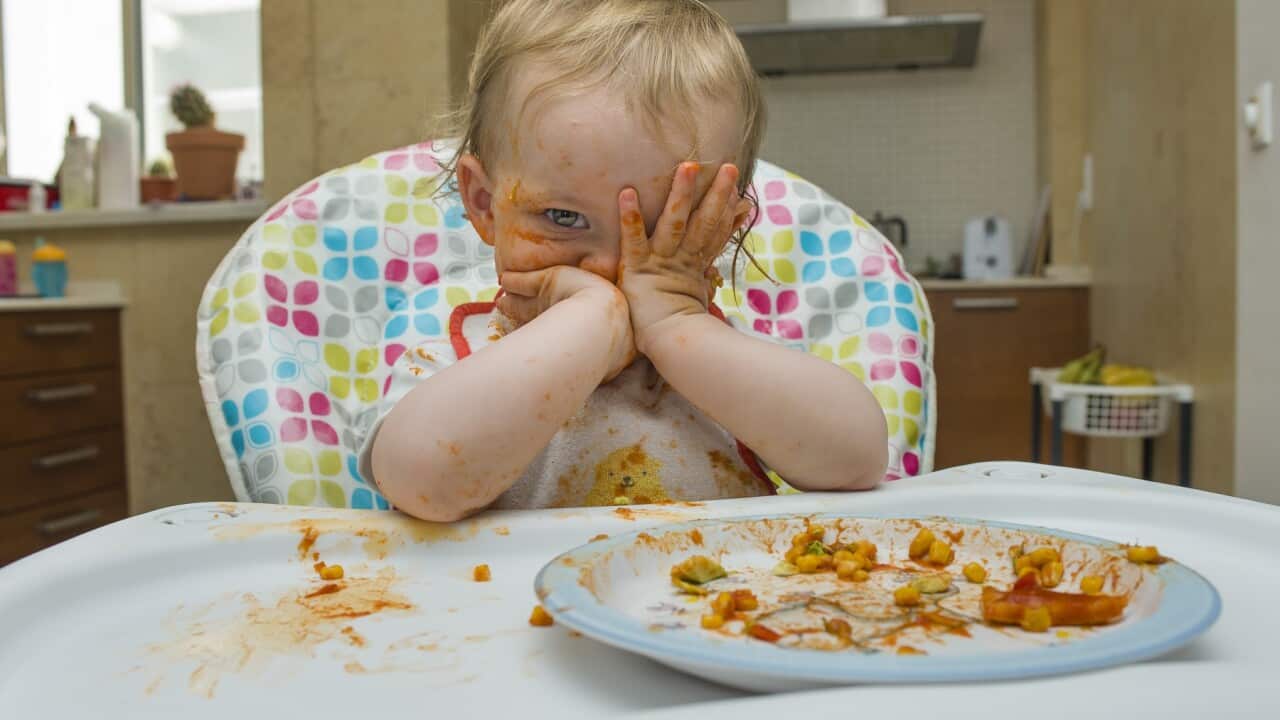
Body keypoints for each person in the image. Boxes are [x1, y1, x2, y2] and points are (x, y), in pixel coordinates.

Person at [361, 0, 887, 521]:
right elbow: (421, 484)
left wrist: (677, 328)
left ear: (723, 226)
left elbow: (857, 462)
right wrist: (592, 321)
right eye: (563, 217)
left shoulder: (728, 366)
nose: (612, 269)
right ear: (483, 203)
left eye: (661, 230)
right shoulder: (459, 368)